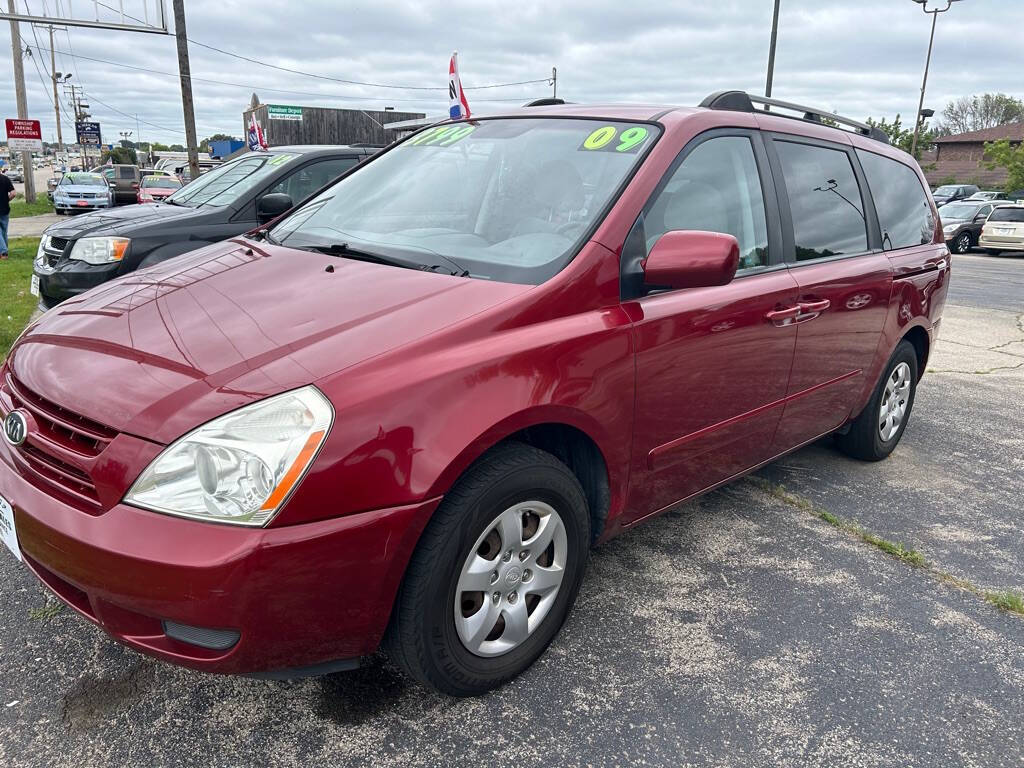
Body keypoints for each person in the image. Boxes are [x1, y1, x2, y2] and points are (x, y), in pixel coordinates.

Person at [0, 167, 16, 260]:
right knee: (3, 231)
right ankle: (4, 252)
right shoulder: (5, 179)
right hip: (5, 209)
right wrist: (7, 200)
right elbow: (13, 193)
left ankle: (3, 252)